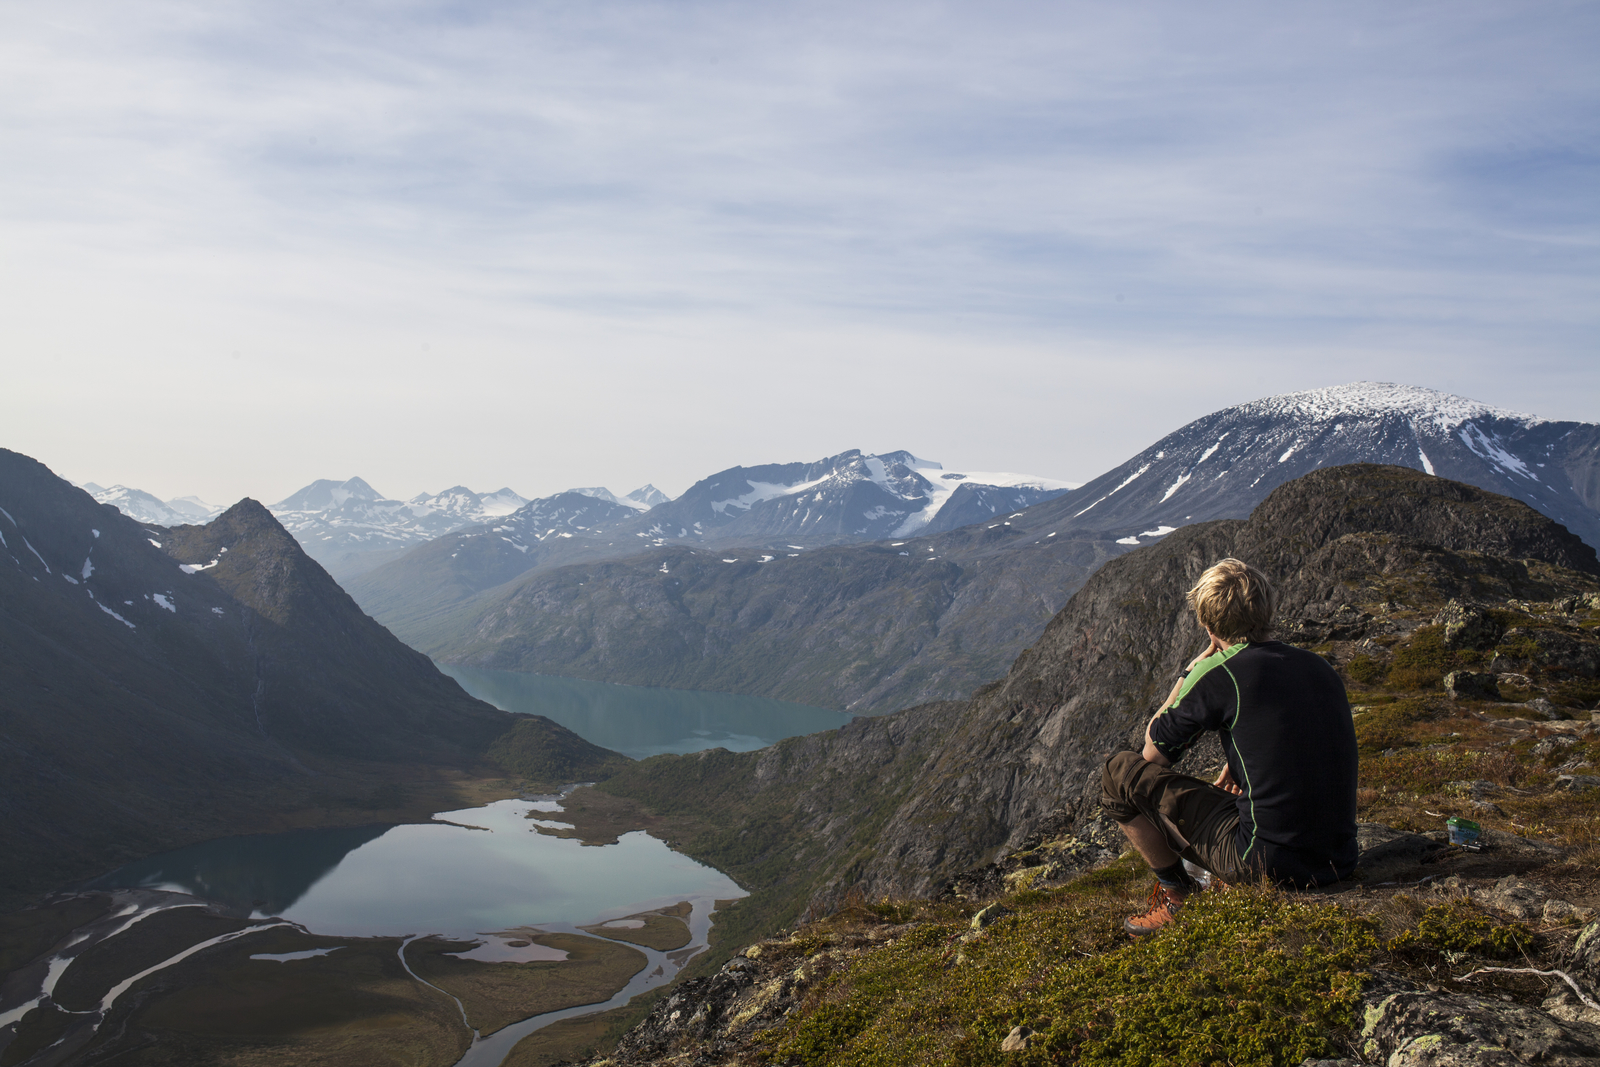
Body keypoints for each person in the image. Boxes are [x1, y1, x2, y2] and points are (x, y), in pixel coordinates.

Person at [1099, 557, 1358, 936]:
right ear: (1267, 608)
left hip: (1267, 862)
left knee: (1117, 773)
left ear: (1207, 624)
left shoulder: (1218, 673)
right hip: (1338, 857)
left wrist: (1189, 674)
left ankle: (1177, 897)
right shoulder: (1318, 666)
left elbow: (1151, 754)